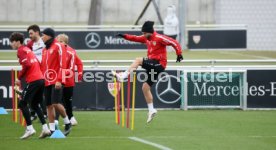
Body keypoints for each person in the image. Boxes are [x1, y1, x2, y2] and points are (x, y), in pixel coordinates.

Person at [115, 21, 183, 123]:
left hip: (159, 64)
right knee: (145, 88)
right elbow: (134, 38)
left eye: (144, 33)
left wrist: (179, 53)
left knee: (138, 60)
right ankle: (151, 110)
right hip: (152, 65)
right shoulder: (146, 38)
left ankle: (124, 76)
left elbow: (174, 42)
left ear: (149, 32)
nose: (143, 35)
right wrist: (124, 36)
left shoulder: (159, 38)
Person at [9, 32, 51, 139]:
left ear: (18, 42)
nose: (11, 44)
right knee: (35, 104)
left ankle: (30, 128)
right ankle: (45, 128)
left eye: (12, 42)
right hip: (40, 79)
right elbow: (36, 62)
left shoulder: (21, 50)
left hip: (34, 80)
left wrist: (18, 78)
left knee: (22, 104)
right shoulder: (28, 49)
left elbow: (27, 64)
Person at [40, 28, 72, 136]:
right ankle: (52, 129)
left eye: (43, 35)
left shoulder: (59, 46)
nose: (41, 37)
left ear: (49, 36)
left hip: (57, 80)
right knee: (48, 105)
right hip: (46, 81)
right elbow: (43, 66)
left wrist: (59, 80)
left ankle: (67, 122)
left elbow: (63, 64)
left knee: (56, 103)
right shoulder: (44, 49)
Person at [55, 33, 83, 126]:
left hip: (67, 80)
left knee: (65, 101)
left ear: (65, 42)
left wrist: (79, 74)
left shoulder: (71, 51)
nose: (58, 43)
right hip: (59, 79)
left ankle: (62, 120)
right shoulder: (56, 51)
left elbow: (79, 63)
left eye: (61, 41)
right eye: (57, 41)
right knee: (60, 101)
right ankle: (70, 119)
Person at [26, 24, 47, 121]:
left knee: (42, 94)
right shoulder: (31, 44)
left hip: (46, 72)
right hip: (36, 72)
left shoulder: (45, 41)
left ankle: (44, 113)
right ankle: (34, 113)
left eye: (31, 33)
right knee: (36, 94)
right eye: (29, 34)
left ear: (37, 32)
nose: (29, 36)